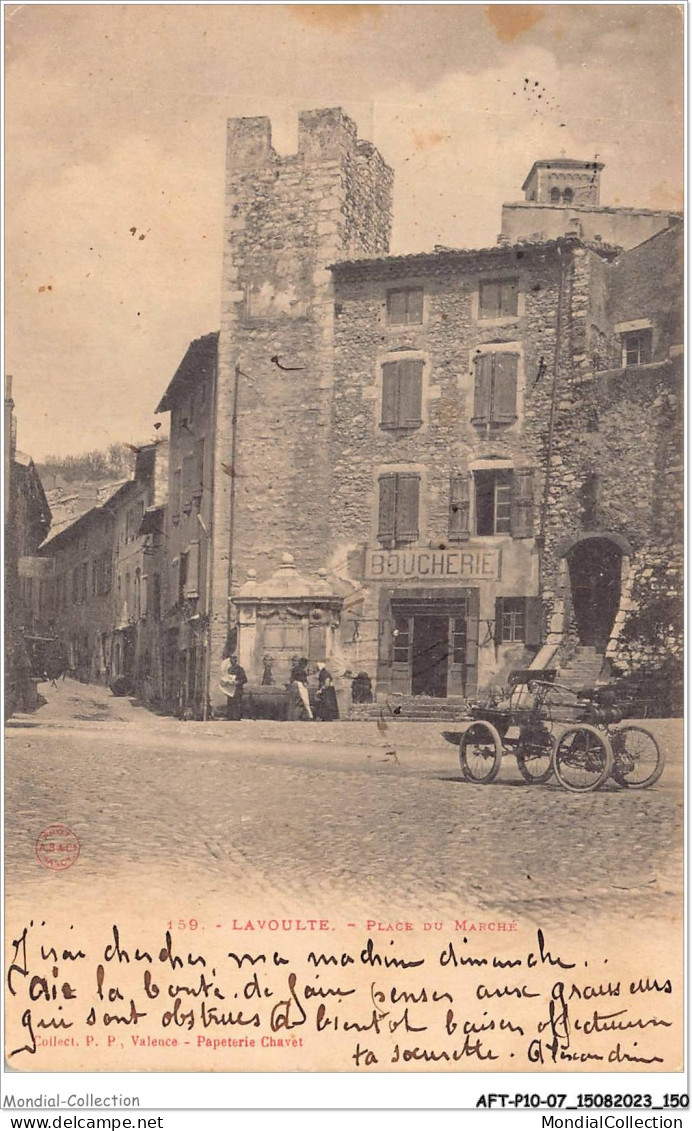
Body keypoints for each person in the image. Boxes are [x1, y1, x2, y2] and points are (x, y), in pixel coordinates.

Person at [220, 654, 247, 720]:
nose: (233, 661)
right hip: (230, 689)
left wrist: (237, 682)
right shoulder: (229, 669)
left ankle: (237, 717)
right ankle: (230, 716)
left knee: (237, 703)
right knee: (230, 703)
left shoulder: (240, 669)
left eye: (234, 659)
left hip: (237, 689)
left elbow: (245, 679)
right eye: (232, 659)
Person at [287, 656, 312, 720]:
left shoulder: (294, 669)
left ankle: (290, 717)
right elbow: (304, 681)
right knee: (300, 702)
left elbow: (291, 679)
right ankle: (297, 717)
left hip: (293, 686)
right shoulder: (302, 671)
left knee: (292, 703)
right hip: (299, 687)